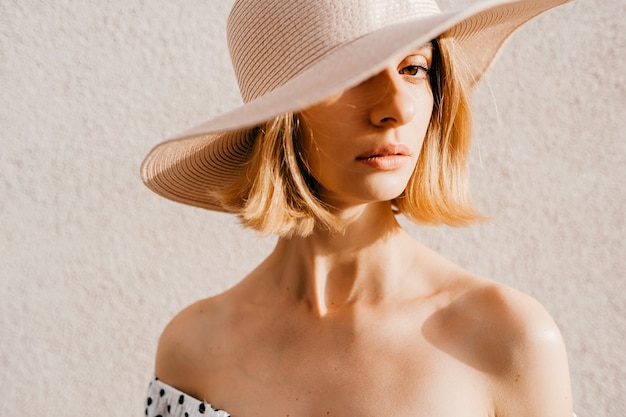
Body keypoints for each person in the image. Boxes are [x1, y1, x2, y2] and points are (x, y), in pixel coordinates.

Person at [141, 0, 575, 416]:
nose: (397, 107)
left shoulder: (508, 339)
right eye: (355, 72)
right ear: (278, 118)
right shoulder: (191, 352)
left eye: (414, 69)